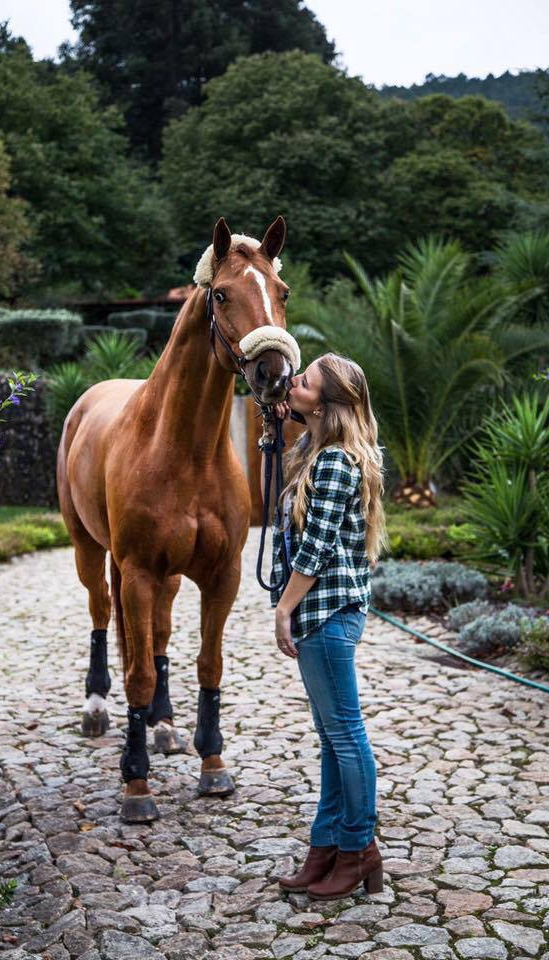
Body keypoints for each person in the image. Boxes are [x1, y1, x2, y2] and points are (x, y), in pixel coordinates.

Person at [259, 352, 389, 900]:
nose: (295, 381)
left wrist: (283, 608)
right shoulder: (315, 451)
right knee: (332, 740)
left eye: (305, 380)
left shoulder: (335, 462)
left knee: (345, 735)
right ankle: (327, 848)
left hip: (328, 615)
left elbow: (314, 551)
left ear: (328, 402)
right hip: (326, 615)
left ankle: (359, 850)